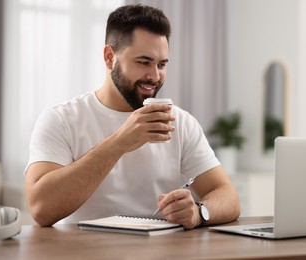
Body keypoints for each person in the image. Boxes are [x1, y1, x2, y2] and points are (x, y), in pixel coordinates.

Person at [25, 4, 240, 229]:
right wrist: (119, 143)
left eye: (161, 64)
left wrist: (198, 212)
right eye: (143, 62)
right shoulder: (61, 120)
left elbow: (228, 197)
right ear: (110, 57)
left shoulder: (181, 122)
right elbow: (41, 209)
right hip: (85, 251)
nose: (155, 76)